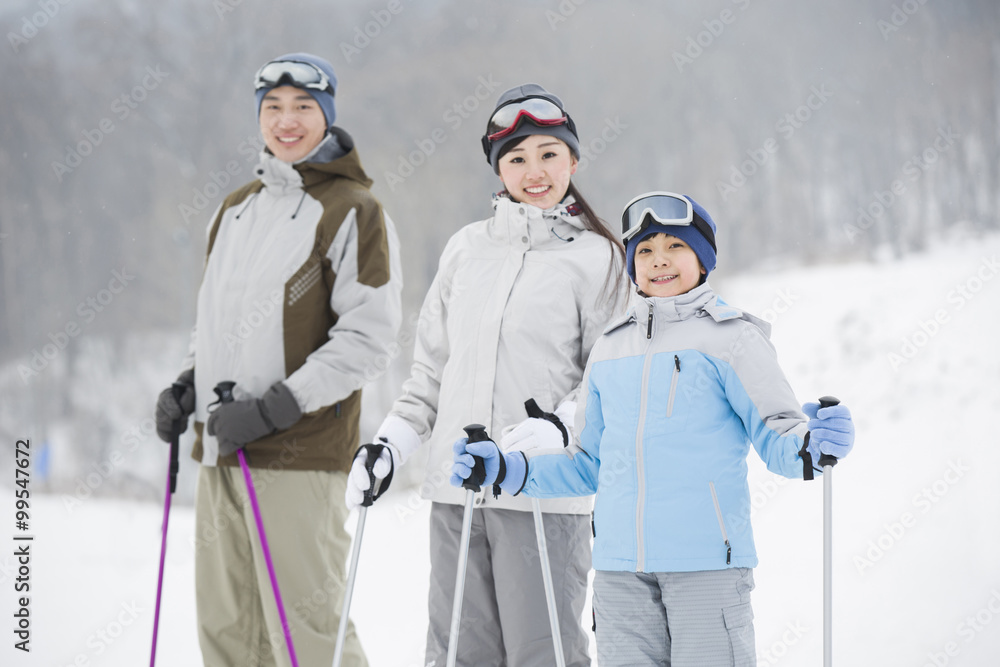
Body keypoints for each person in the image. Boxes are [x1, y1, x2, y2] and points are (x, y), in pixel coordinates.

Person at [451, 192, 857, 667]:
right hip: (620, 574)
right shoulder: (609, 347)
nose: (658, 260)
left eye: (675, 247)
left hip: (706, 565)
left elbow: (777, 434)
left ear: (703, 260)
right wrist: (509, 470)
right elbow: (586, 463)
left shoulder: (733, 339)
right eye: (644, 250)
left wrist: (811, 445)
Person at [345, 84, 626, 666]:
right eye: (516, 158)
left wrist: (563, 427)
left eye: (549, 153)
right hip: (456, 491)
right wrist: (392, 442)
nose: (535, 170)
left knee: (541, 651)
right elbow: (431, 370)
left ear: (574, 160)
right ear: (499, 170)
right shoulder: (466, 250)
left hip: (541, 492)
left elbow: (610, 374)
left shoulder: (599, 258)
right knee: (456, 653)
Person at [154, 52, 402, 667]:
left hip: (298, 453)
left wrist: (274, 410)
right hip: (221, 450)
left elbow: (368, 339)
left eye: (303, 108)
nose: (286, 121)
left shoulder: (354, 211)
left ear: (328, 117)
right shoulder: (235, 209)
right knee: (229, 629)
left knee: (306, 633)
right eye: (273, 108)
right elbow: (214, 319)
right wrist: (188, 384)